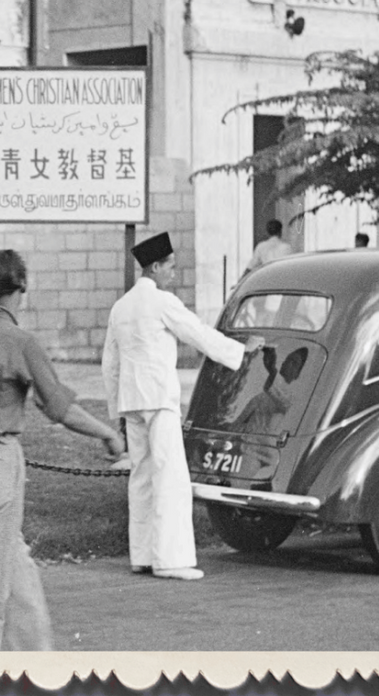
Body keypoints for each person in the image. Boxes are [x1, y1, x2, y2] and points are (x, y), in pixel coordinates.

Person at [0, 249, 124, 651]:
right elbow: (60, 408)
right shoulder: (20, 342)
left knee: (16, 570)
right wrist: (106, 433)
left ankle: (35, 661)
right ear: (22, 286)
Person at [102, 232, 264, 581]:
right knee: (171, 477)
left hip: (132, 402)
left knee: (142, 478)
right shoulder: (162, 302)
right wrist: (240, 350)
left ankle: (142, 556)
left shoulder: (121, 307)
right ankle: (171, 561)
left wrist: (116, 407)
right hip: (159, 400)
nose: (173, 273)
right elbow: (198, 333)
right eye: (170, 267)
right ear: (155, 267)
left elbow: (109, 363)